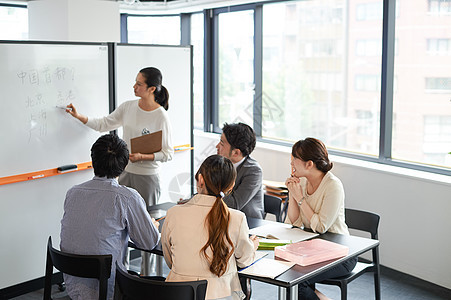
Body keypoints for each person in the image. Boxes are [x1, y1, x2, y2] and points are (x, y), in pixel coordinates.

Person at [66, 67, 173, 275]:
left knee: (147, 229)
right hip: (123, 173)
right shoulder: (128, 107)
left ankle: (146, 276)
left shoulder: (161, 115)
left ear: (152, 89)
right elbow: (104, 123)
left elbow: (167, 153)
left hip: (148, 177)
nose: (134, 87)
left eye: (139, 84)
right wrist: (80, 117)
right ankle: (119, 272)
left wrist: (144, 157)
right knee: (118, 227)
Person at [60, 134, 160, 300]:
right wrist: (152, 226)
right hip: (108, 290)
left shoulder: (73, 193)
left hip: (72, 285)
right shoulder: (126, 197)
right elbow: (149, 242)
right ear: (124, 164)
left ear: (93, 161)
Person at [161, 154, 259, 300]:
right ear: (231, 186)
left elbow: (170, 261)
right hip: (223, 296)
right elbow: (244, 261)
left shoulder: (173, 213)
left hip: (177, 294)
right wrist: (252, 246)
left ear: (200, 179)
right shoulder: (237, 218)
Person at [285, 137, 357, 300]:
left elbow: (321, 226)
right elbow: (294, 222)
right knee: (290, 277)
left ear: (309, 164)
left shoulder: (333, 185)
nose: (291, 165)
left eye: (294, 160)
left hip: (341, 254)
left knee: (298, 282)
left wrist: (300, 198)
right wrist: (292, 192)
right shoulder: (302, 182)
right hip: (313, 249)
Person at [216, 122, 264, 219]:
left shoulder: (254, 171)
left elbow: (234, 205)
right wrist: (190, 201)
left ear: (236, 152)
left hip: (248, 223)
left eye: (222, 143)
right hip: (223, 219)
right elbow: (206, 190)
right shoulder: (220, 162)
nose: (217, 146)